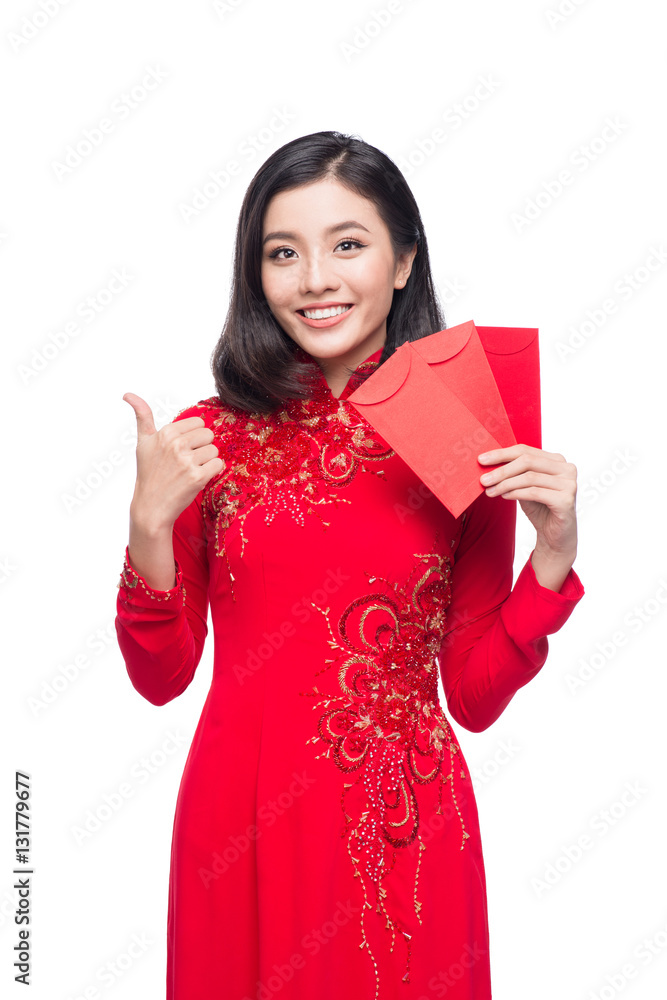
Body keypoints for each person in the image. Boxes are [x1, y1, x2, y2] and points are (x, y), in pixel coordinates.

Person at [115, 130, 584, 1000]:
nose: (315, 278)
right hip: (242, 816)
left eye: (348, 245)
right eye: (282, 252)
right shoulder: (207, 441)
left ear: (403, 260)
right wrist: (148, 529)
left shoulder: (463, 432)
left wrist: (549, 558)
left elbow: (475, 697)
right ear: (254, 273)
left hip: (402, 824)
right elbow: (160, 677)